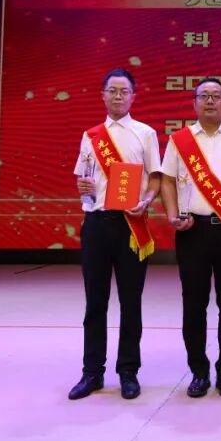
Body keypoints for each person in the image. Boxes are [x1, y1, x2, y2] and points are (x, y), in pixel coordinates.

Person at [160, 79, 221, 398]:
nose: (210, 101)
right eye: (204, 96)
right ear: (194, 102)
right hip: (193, 232)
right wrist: (173, 215)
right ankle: (199, 372)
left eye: (216, 96)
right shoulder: (180, 140)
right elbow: (166, 181)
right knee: (194, 305)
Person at [68, 68, 161, 401]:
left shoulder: (145, 133)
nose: (118, 96)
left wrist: (146, 201)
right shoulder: (91, 135)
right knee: (95, 302)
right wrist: (82, 186)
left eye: (124, 91)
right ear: (103, 95)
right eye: (112, 90)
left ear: (133, 96)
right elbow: (83, 178)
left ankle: (128, 371)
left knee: (130, 302)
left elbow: (156, 179)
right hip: (96, 224)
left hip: (130, 226)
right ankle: (92, 372)